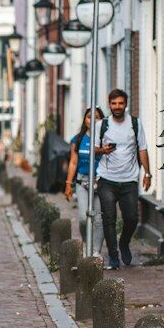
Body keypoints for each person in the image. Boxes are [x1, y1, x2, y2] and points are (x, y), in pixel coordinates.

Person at [94, 89, 152, 270]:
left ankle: (124, 243)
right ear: (109, 104)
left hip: (129, 179)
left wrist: (147, 174)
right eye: (114, 103)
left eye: (120, 103)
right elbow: (94, 149)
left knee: (132, 218)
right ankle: (113, 256)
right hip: (107, 179)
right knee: (108, 218)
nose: (117, 107)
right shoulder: (101, 125)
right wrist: (102, 150)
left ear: (126, 104)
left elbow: (142, 148)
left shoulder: (135, 123)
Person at [63, 107, 105, 254]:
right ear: (84, 120)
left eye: (97, 117)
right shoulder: (78, 139)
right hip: (82, 182)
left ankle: (95, 252)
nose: (92, 120)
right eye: (89, 117)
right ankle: (87, 244)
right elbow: (73, 162)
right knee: (83, 217)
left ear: (102, 120)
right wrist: (68, 184)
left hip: (101, 183)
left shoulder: (106, 138)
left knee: (99, 220)